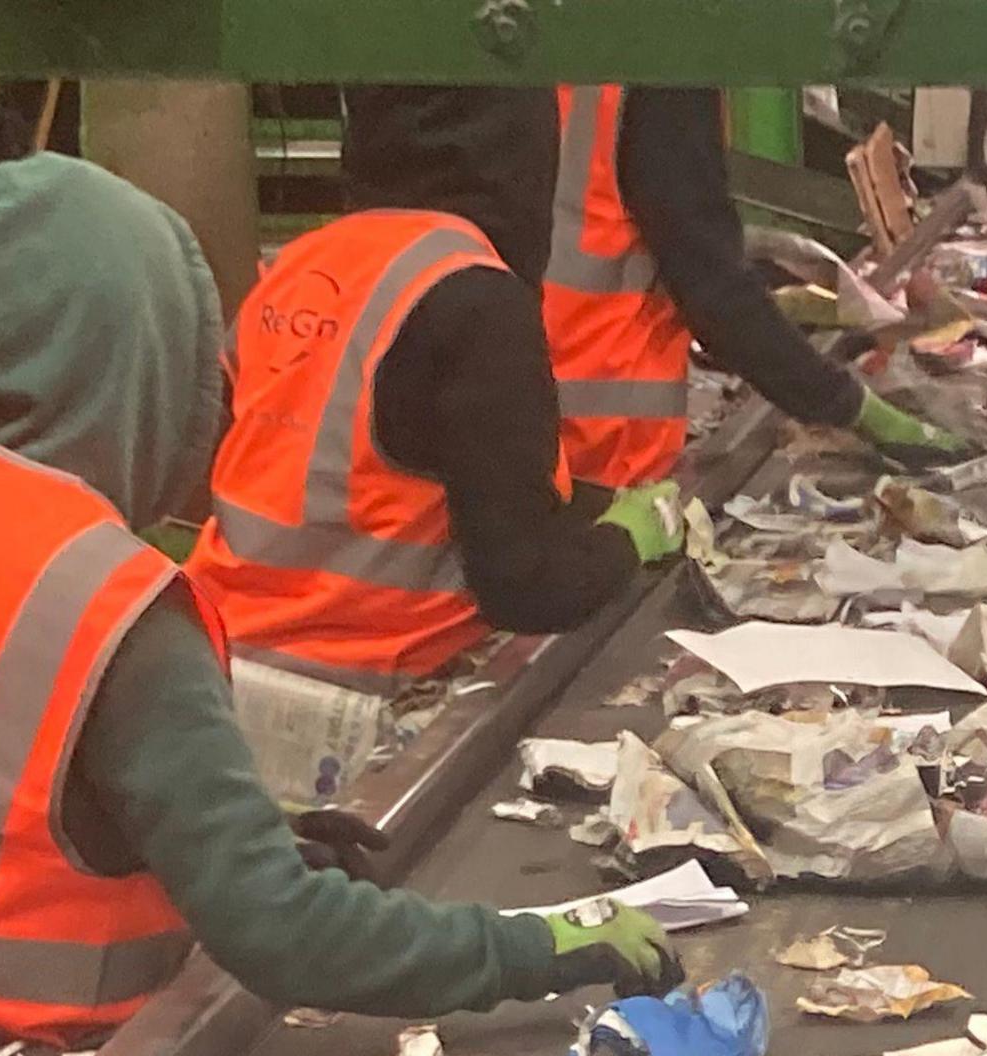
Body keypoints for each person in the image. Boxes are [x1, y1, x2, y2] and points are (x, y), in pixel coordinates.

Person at [0, 154, 680, 1048]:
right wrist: (539, 945)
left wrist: (219, 827)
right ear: (144, 370)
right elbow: (284, 936)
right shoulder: (113, 610)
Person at [185, 85, 676, 696]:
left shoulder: (299, 266)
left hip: (222, 663)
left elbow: (365, 487)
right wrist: (633, 535)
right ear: (521, 156)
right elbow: (526, 590)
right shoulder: (474, 299)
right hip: (367, 694)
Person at [546, 85, 967, 485]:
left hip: (517, 421)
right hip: (599, 446)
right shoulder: (661, 67)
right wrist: (854, 408)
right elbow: (711, 284)